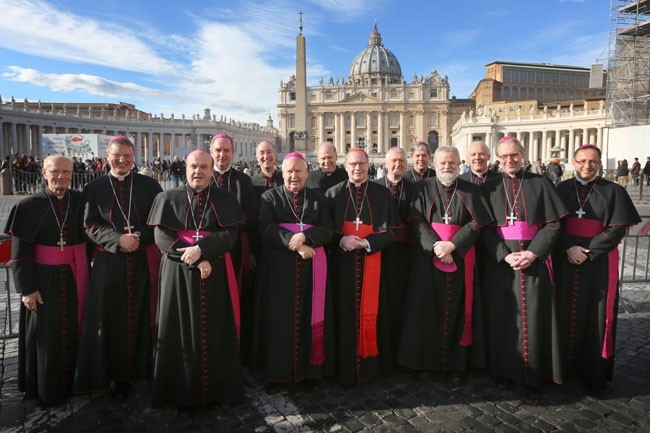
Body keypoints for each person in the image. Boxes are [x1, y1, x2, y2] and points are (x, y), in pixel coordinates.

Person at [147, 149, 246, 410]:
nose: (198, 171)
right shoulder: (166, 197)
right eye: (193, 166)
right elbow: (161, 238)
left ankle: (215, 389)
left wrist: (204, 250)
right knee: (176, 329)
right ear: (185, 167)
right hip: (178, 273)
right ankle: (178, 390)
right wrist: (193, 258)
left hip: (214, 271)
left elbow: (231, 235)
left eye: (204, 167)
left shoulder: (224, 199)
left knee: (215, 329)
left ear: (212, 170)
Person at [74, 135, 162, 400]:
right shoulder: (94, 187)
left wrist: (138, 239)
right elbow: (89, 225)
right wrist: (117, 240)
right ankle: (117, 374)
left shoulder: (150, 185)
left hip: (143, 259)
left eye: (127, 155)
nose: (122, 160)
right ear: (107, 157)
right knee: (110, 318)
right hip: (108, 262)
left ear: (134, 157)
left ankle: (145, 367)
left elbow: (159, 222)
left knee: (144, 313)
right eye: (116, 155)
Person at [480, 135, 568, 391]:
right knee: (502, 317)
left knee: (534, 318)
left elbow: (553, 224)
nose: (510, 160)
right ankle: (502, 370)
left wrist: (533, 253)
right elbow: (483, 229)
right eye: (504, 156)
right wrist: (504, 254)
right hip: (501, 263)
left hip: (533, 262)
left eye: (514, 155)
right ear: (498, 159)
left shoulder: (540, 183)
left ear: (523, 155)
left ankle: (534, 373)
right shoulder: (489, 186)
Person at [553, 144, 640, 396]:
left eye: (592, 161)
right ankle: (562, 369)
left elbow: (617, 228)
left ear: (600, 163)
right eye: (581, 161)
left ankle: (593, 375)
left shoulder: (614, 191)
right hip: (565, 260)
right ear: (573, 161)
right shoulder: (561, 189)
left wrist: (587, 251)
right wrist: (568, 248)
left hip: (598, 263)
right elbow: (551, 225)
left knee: (597, 317)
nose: (586, 166)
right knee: (563, 313)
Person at [398, 147, 493, 377]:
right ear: (435, 163)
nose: (447, 167)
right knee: (424, 311)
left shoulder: (470, 189)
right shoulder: (422, 187)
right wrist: (436, 247)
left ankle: (456, 363)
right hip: (427, 258)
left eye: (452, 163)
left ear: (459, 163)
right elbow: (416, 220)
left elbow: (477, 222)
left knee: (459, 310)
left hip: (460, 258)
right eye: (442, 163)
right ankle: (425, 363)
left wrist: (454, 245)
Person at [4, 155, 89, 407]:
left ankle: (74, 383)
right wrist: (27, 289)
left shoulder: (81, 201)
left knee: (74, 329)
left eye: (66, 172)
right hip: (42, 279)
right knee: (45, 335)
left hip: (75, 276)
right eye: (56, 171)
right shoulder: (29, 206)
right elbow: (19, 254)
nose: (61, 176)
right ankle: (45, 389)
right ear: (44, 172)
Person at [252, 152, 335, 387]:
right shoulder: (270, 197)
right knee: (280, 320)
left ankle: (310, 371)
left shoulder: (318, 199)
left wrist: (306, 237)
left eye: (298, 171)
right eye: (288, 171)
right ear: (282, 172)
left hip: (312, 271)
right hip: (279, 270)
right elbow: (266, 230)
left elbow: (327, 229)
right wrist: (295, 244)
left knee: (310, 315)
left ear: (307, 173)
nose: (293, 176)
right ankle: (280, 372)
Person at [325, 147, 400, 384]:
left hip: (374, 263)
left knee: (376, 315)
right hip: (342, 267)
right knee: (342, 315)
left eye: (362, 164)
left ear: (369, 166)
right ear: (345, 166)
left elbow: (392, 231)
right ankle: (343, 368)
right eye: (353, 164)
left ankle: (372, 367)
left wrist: (368, 242)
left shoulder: (381, 194)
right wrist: (341, 240)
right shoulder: (332, 194)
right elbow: (324, 232)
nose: (357, 169)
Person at [209, 132, 259, 365]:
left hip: (237, 247)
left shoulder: (243, 181)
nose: (222, 155)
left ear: (233, 153)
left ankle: (238, 349)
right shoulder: (202, 177)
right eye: (218, 150)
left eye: (226, 150)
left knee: (237, 297)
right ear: (211, 152)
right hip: (208, 251)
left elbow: (252, 215)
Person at [373, 146, 414, 360]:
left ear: (406, 164)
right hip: (381, 252)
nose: (397, 165)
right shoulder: (376, 188)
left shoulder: (415, 188)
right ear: (385, 164)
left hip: (407, 253)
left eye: (401, 161)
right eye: (393, 161)